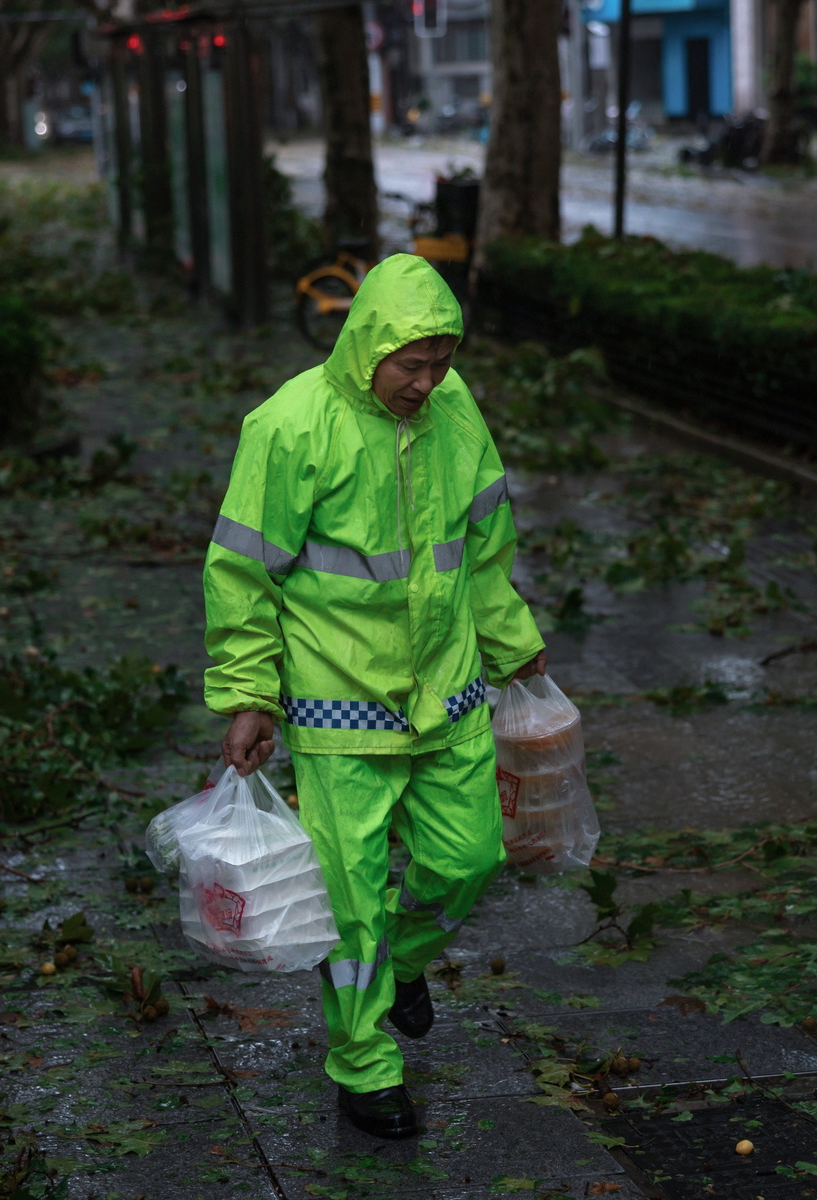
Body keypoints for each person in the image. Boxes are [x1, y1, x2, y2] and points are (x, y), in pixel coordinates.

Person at [202, 254, 546, 1139]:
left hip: (449, 697)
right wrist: (251, 696)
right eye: (412, 365)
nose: (427, 384)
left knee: (469, 861)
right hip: (335, 708)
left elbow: (482, 548)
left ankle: (400, 967)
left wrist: (515, 648)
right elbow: (243, 572)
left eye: (441, 363)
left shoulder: (455, 412)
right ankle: (364, 1068)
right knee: (350, 905)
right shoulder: (289, 427)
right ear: (368, 347)